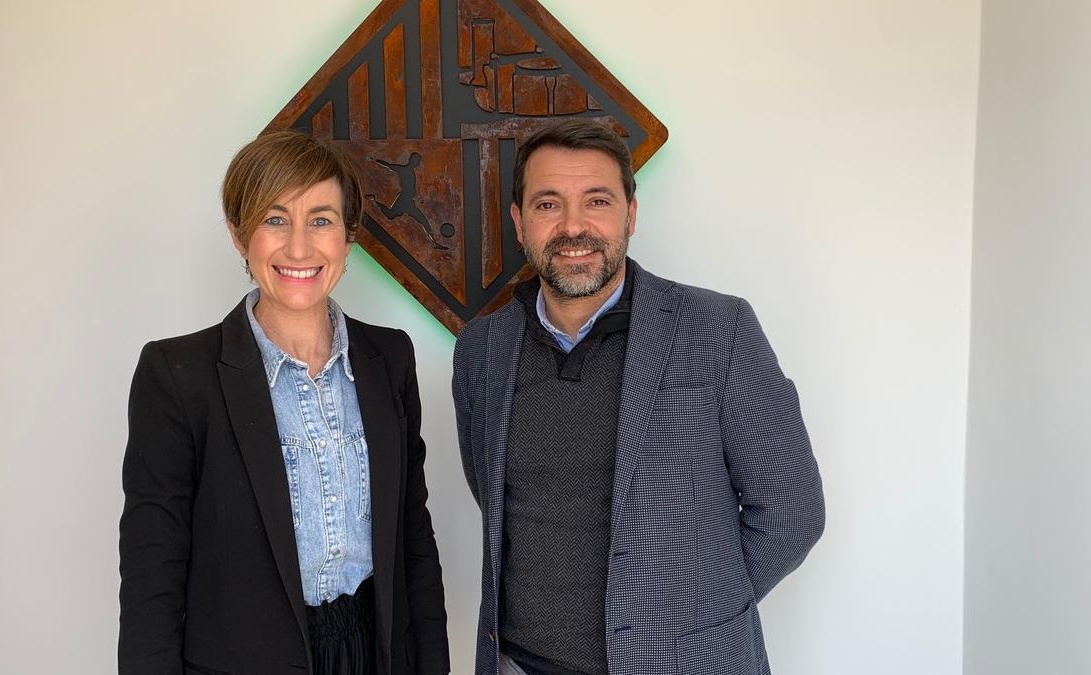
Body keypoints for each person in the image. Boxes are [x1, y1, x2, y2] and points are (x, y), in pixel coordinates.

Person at [451, 119, 825, 675]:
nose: (573, 226)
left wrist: (697, 611)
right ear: (520, 221)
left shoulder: (718, 330)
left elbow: (792, 514)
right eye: (548, 204)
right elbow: (496, 498)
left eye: (596, 200)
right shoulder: (482, 347)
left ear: (630, 212)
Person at [119, 131, 449, 675]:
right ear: (238, 234)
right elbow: (152, 577)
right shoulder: (177, 375)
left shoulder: (389, 358)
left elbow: (414, 536)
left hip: (377, 656)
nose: (299, 248)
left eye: (321, 219)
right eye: (275, 219)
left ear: (348, 237)